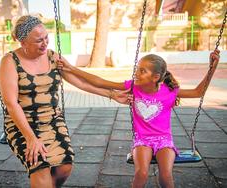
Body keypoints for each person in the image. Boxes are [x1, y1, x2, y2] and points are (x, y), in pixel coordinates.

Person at [0, 15, 131, 188]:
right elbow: (11, 104)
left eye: (46, 37)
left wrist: (112, 94)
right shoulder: (9, 62)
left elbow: (80, 82)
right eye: (39, 40)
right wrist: (31, 138)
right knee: (41, 168)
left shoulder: (53, 57)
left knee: (64, 167)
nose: (45, 43)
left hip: (52, 120)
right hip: (22, 124)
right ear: (23, 42)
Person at [57, 50, 220, 188]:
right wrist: (71, 68)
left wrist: (212, 68)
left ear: (155, 77)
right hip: (142, 140)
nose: (137, 73)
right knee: (141, 173)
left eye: (142, 71)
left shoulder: (169, 91)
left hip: (164, 140)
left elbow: (198, 92)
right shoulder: (133, 87)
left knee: (166, 175)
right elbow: (100, 82)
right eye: (137, 69)